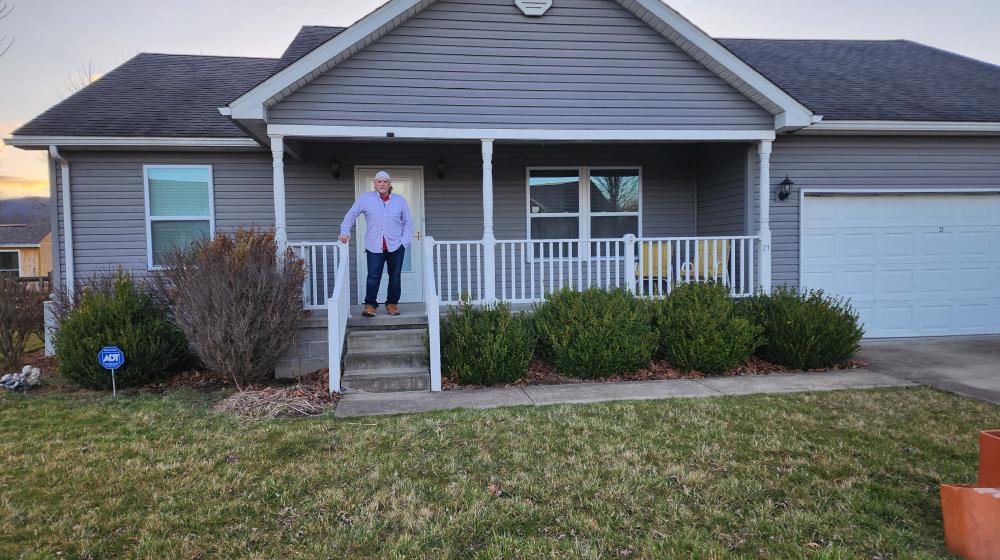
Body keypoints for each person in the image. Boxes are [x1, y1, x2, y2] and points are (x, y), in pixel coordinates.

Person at [339, 170, 414, 317]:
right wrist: (345, 231)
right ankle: (370, 305)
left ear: (390, 184)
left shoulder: (400, 201)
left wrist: (403, 242)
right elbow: (351, 214)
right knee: (373, 276)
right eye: (379, 181)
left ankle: (391, 304)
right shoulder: (366, 199)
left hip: (395, 246)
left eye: (385, 181)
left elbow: (408, 223)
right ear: (374, 183)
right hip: (374, 245)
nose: (382, 184)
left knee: (395, 276)